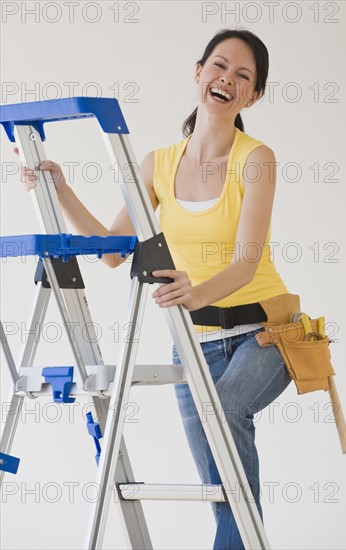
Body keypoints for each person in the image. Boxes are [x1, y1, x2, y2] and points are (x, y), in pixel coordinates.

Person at [16, 28, 293, 550]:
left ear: (252, 95)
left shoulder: (256, 158)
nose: (226, 79)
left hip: (265, 332)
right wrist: (63, 188)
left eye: (243, 75)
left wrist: (197, 291)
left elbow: (248, 259)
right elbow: (114, 251)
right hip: (195, 342)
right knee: (220, 479)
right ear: (198, 73)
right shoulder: (158, 164)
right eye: (218, 66)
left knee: (226, 409)